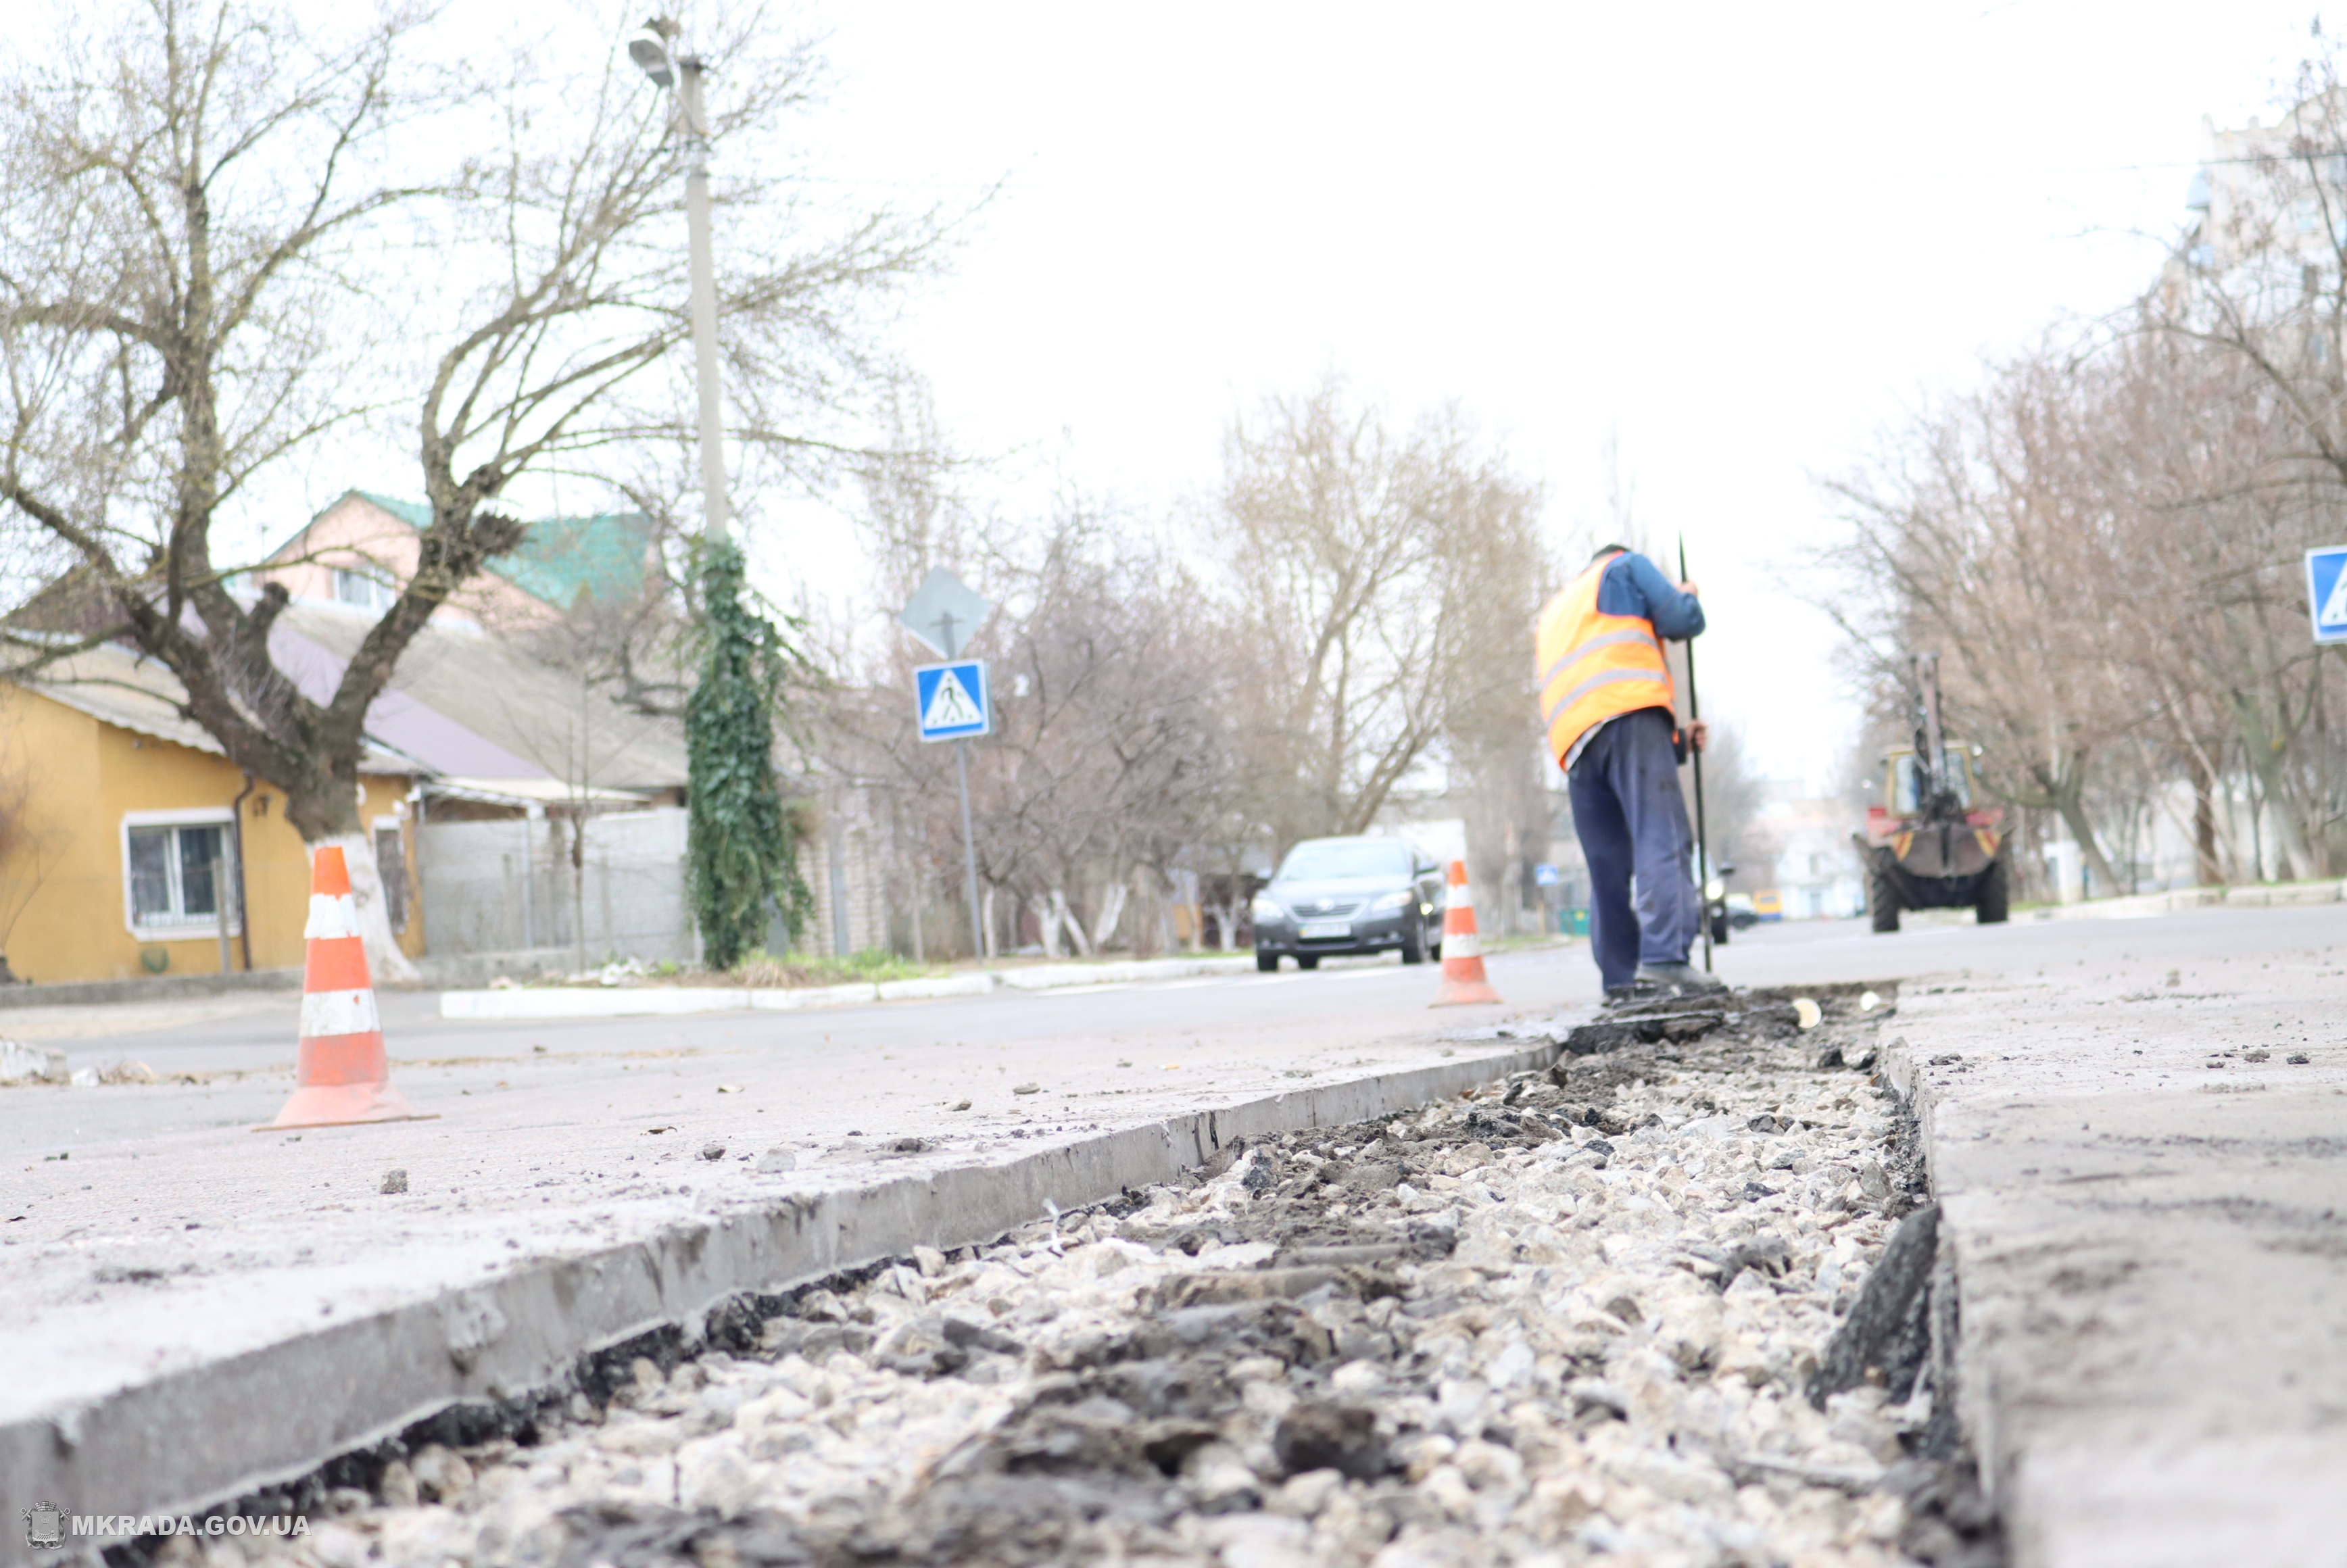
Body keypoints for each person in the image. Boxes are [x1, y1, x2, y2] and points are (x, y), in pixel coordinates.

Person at [1534, 543, 1720, 1002]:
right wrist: (1689, 594)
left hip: (1575, 744)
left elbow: (1596, 692)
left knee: (1607, 865)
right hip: (1632, 716)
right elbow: (1681, 619)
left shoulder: (1556, 611)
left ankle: (1620, 981)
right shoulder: (1625, 567)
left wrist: (1673, 741)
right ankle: (1665, 961)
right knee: (1662, 837)